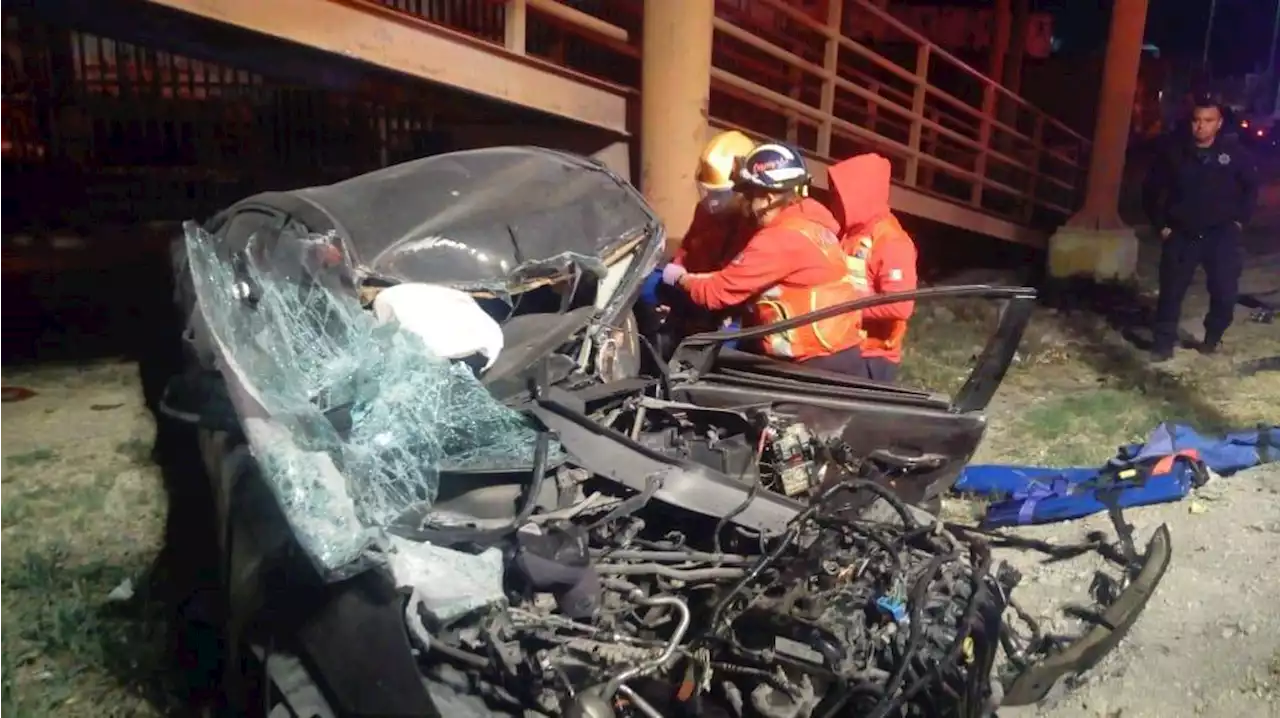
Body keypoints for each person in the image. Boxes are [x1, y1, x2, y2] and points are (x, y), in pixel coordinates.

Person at [659, 143, 867, 372]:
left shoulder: (779, 239)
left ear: (768, 199)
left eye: (749, 195)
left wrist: (679, 278)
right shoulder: (811, 222)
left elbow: (716, 292)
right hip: (838, 350)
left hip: (814, 363)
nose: (745, 203)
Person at [1143, 93, 1259, 362]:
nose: (1201, 126)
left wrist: (1240, 219)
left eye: (1208, 120)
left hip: (1221, 234)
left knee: (1224, 292)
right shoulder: (1173, 153)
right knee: (1171, 292)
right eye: (1197, 120)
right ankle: (1162, 344)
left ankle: (1212, 337)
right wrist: (1161, 225)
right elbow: (1150, 190)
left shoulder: (1234, 154)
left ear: (1218, 123)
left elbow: (1250, 188)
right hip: (1181, 233)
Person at [828, 153, 919, 383]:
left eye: (841, 195)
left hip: (873, 357)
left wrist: (840, 307)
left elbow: (900, 306)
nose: (835, 201)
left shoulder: (891, 241)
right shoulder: (849, 234)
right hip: (845, 348)